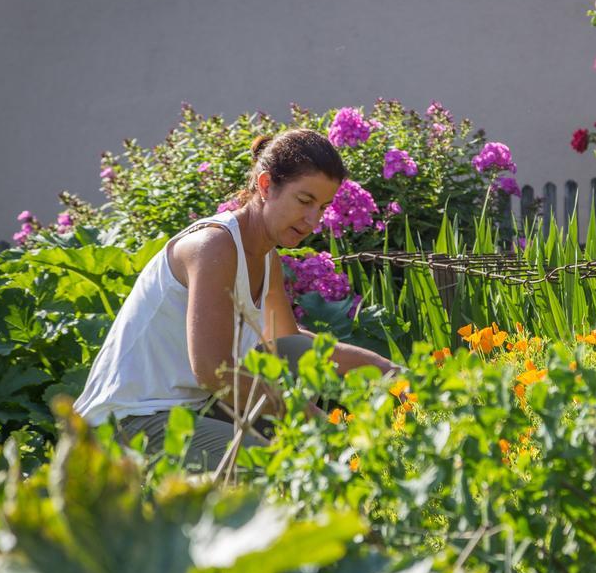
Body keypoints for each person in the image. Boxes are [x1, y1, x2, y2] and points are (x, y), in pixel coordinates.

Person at [73, 129, 396, 471]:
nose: (313, 221)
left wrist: (388, 371)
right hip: (127, 422)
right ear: (266, 185)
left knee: (293, 355)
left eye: (323, 207)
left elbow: (286, 341)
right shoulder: (213, 247)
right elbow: (214, 371)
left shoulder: (265, 254)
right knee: (271, 471)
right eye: (304, 201)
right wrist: (315, 423)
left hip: (190, 409)